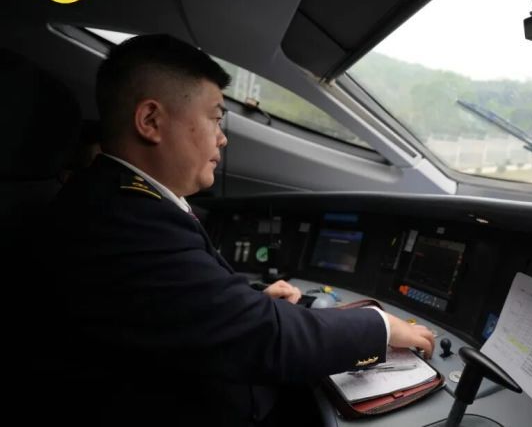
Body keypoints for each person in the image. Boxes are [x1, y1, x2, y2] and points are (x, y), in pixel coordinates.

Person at [41, 34, 434, 426]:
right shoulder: (124, 219)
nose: (223, 137)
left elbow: (177, 305)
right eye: (215, 118)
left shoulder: (113, 198)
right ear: (151, 121)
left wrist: (251, 301)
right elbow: (263, 337)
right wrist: (381, 327)